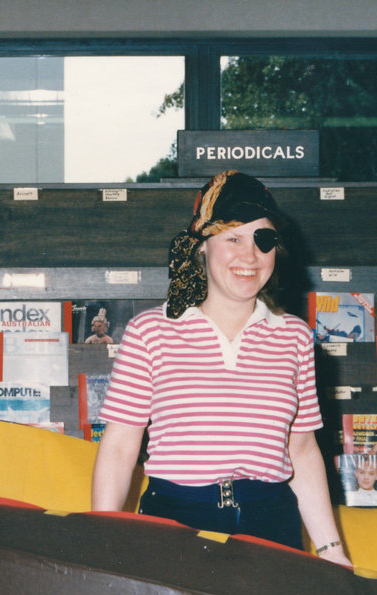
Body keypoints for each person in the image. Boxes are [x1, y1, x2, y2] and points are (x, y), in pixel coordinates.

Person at [90, 170, 351, 567]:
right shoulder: (150, 332)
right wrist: (101, 541)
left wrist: (333, 552)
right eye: (233, 238)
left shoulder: (294, 337)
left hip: (271, 523)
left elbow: (301, 450)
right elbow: (120, 446)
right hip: (175, 521)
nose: (250, 256)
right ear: (202, 247)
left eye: (262, 241)